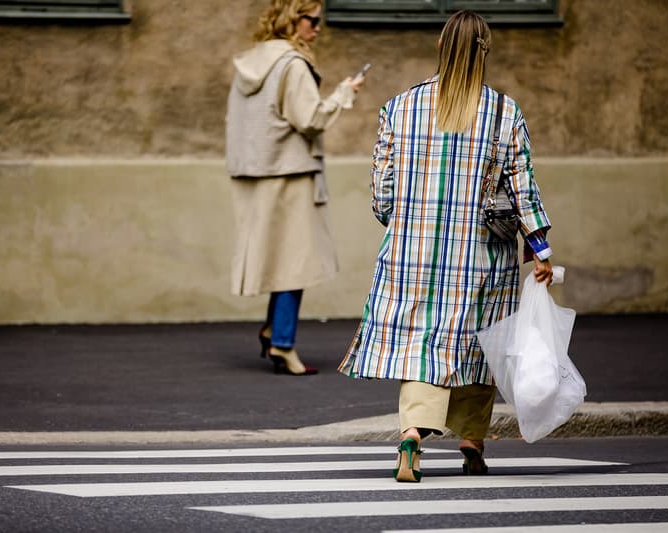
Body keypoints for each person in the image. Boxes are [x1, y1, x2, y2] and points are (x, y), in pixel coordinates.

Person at [338, 10, 554, 481]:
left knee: (422, 343)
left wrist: (403, 223)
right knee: (479, 344)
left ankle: (412, 435)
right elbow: (523, 188)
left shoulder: (399, 107)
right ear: (486, 53)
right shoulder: (504, 112)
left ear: (440, 47)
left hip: (412, 251)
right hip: (481, 255)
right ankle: (473, 444)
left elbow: (382, 190)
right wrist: (540, 247)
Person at [226, 0, 364, 376]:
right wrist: (343, 94)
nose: (318, 28)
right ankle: (283, 344)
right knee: (295, 262)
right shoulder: (292, 64)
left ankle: (274, 331)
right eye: (312, 20)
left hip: (256, 172)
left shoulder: (252, 62)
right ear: (293, 20)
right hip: (291, 174)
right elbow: (310, 119)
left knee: (280, 257)